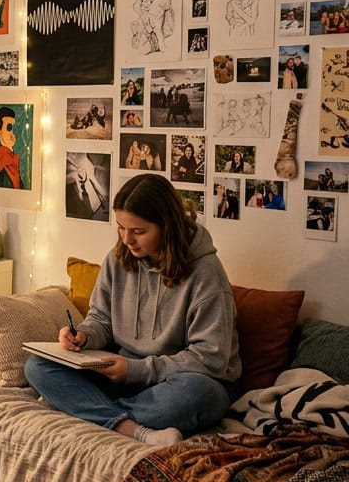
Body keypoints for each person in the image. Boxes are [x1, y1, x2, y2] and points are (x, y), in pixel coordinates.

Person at [24, 174, 241, 446]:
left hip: (178, 380)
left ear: (167, 227)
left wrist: (136, 370)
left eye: (139, 231)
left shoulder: (206, 274)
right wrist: (84, 336)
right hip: (122, 374)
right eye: (121, 228)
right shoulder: (118, 259)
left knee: (201, 394)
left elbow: (209, 359)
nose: (127, 239)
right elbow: (101, 319)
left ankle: (90, 409)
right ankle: (130, 427)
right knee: (38, 366)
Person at [0, 106, 21, 188]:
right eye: (9, 127)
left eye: (14, 128)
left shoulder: (11, 157)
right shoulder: (1, 158)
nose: (12, 133)